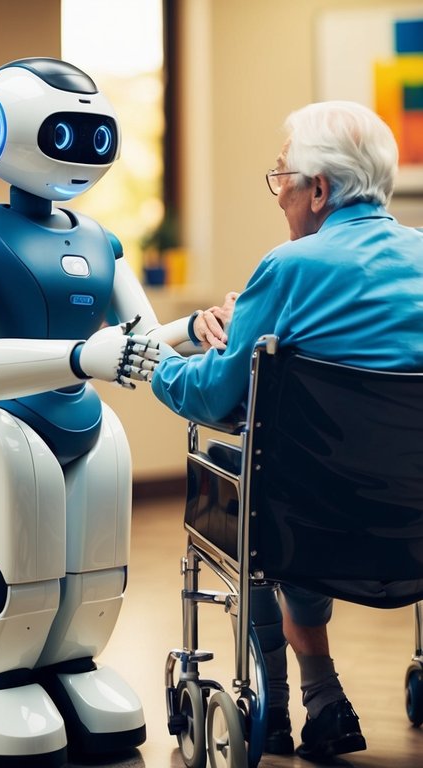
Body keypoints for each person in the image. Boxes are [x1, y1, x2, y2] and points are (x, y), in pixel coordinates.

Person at [149, 100, 423, 761]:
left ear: (318, 189)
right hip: (412, 526)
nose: (279, 197)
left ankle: (286, 691)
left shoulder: (287, 269)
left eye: (282, 178)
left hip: (310, 531)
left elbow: (216, 398)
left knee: (259, 475)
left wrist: (156, 362)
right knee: (310, 467)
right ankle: (319, 693)